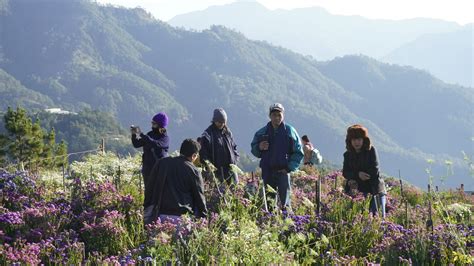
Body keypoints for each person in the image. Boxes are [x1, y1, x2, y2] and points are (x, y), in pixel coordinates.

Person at [251, 103, 304, 209]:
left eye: (279, 115)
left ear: (283, 115)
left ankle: (287, 221)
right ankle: (269, 221)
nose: (276, 117)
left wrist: (289, 168)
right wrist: (259, 147)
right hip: (267, 172)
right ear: (270, 116)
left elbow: (298, 152)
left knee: (286, 204)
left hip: (283, 172)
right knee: (269, 203)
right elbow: (254, 150)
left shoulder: (290, 132)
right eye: (274, 114)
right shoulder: (261, 132)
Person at [144, 139, 208, 225]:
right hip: (181, 218)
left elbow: (149, 187)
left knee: (159, 238)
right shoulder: (193, 171)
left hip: (160, 216)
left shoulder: (162, 163)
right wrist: (204, 218)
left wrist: (147, 207)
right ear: (194, 155)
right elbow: (199, 197)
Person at [342, 124, 386, 218]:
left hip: (374, 190)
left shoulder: (371, 151)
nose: (356, 142)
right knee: (355, 218)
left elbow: (375, 170)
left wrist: (356, 176)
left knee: (377, 218)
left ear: (364, 140)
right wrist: (358, 175)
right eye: (353, 140)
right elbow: (345, 172)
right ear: (350, 141)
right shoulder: (347, 155)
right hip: (357, 191)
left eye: (359, 139)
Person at [131, 112, 170, 206]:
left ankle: (159, 211)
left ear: (160, 125)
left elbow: (155, 144)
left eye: (154, 124)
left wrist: (142, 134)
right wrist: (134, 135)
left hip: (160, 170)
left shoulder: (165, 138)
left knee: (159, 192)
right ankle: (148, 211)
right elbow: (137, 144)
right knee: (148, 192)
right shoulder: (150, 134)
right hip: (148, 168)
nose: (152, 125)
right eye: (152, 123)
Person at [199, 108, 240, 185]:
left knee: (233, 193)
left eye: (224, 122)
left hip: (231, 172)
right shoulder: (208, 134)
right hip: (216, 174)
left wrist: (235, 160)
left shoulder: (228, 133)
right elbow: (203, 153)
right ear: (214, 120)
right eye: (219, 122)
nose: (222, 124)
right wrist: (209, 166)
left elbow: (234, 148)